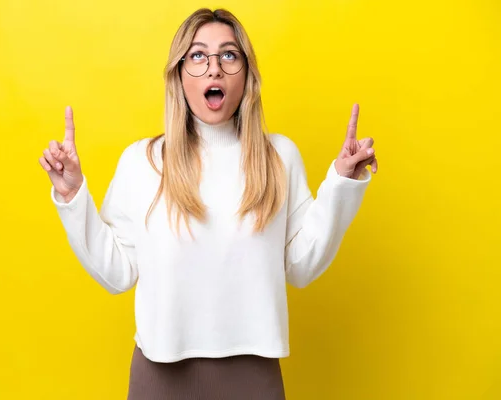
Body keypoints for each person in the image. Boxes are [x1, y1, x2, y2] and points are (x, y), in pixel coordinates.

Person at [38, 7, 377, 400]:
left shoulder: (279, 157)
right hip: (159, 376)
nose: (213, 68)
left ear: (247, 74)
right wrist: (72, 194)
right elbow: (117, 273)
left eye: (228, 55)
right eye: (198, 56)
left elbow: (301, 266)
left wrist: (341, 183)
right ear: (179, 75)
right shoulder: (142, 161)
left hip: (254, 374)